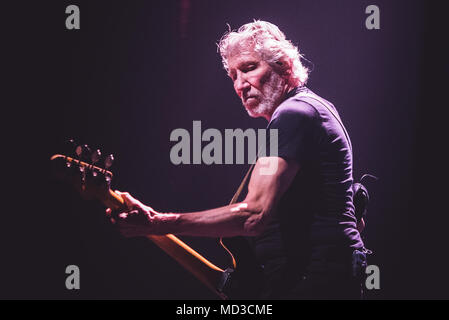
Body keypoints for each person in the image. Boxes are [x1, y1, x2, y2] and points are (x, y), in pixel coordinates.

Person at [106, 20, 367, 299]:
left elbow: (253, 215)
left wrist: (160, 222)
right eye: (233, 76)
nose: (240, 85)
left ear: (284, 65)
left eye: (249, 68)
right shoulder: (313, 110)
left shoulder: (294, 114)